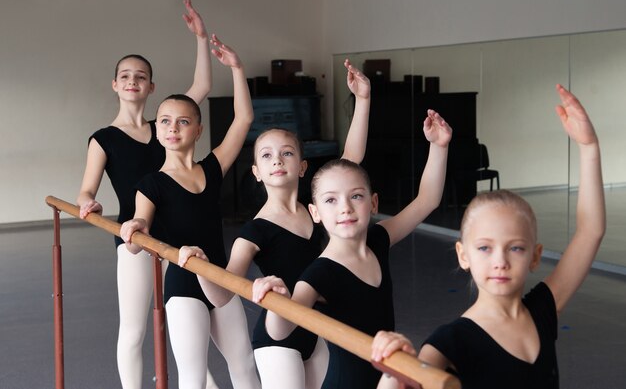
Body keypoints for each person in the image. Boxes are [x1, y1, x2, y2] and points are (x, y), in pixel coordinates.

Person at [371, 84, 605, 389]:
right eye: (484, 248)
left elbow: (591, 231)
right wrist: (394, 371)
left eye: (516, 248)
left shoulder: (542, 311)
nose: (500, 262)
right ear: (463, 254)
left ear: (535, 255)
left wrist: (589, 147)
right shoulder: (447, 345)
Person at [179, 59, 372, 389]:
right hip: (277, 338)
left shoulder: (318, 209)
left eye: (286, 153)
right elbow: (224, 294)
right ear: (256, 172)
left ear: (302, 166)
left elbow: (350, 159)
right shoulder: (256, 230)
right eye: (266, 156)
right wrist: (199, 267)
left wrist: (363, 100)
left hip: (317, 329)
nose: (277, 160)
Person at [251, 109, 452, 389]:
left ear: (373, 203)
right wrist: (277, 299)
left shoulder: (377, 241)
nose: (345, 207)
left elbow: (427, 200)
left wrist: (439, 146)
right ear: (315, 212)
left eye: (355, 196)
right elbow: (281, 329)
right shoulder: (319, 272)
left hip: (385, 378)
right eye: (331, 200)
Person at [75, 0, 216, 389]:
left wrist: (201, 38)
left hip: (180, 240)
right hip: (136, 238)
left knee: (187, 323)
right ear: (116, 84)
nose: (133, 81)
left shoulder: (167, 126)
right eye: (125, 75)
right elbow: (87, 187)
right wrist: (88, 201)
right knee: (134, 328)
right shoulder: (103, 139)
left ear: (151, 86)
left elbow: (202, 86)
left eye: (141, 76)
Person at [119, 38, 261, 389]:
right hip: (183, 286)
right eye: (165, 121)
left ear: (198, 129)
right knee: (193, 377)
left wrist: (237, 69)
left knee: (244, 365)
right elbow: (140, 229)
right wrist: (135, 230)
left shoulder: (212, 168)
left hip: (221, 279)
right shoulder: (151, 184)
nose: (172, 127)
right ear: (158, 130)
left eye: (183, 122)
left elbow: (243, 119)